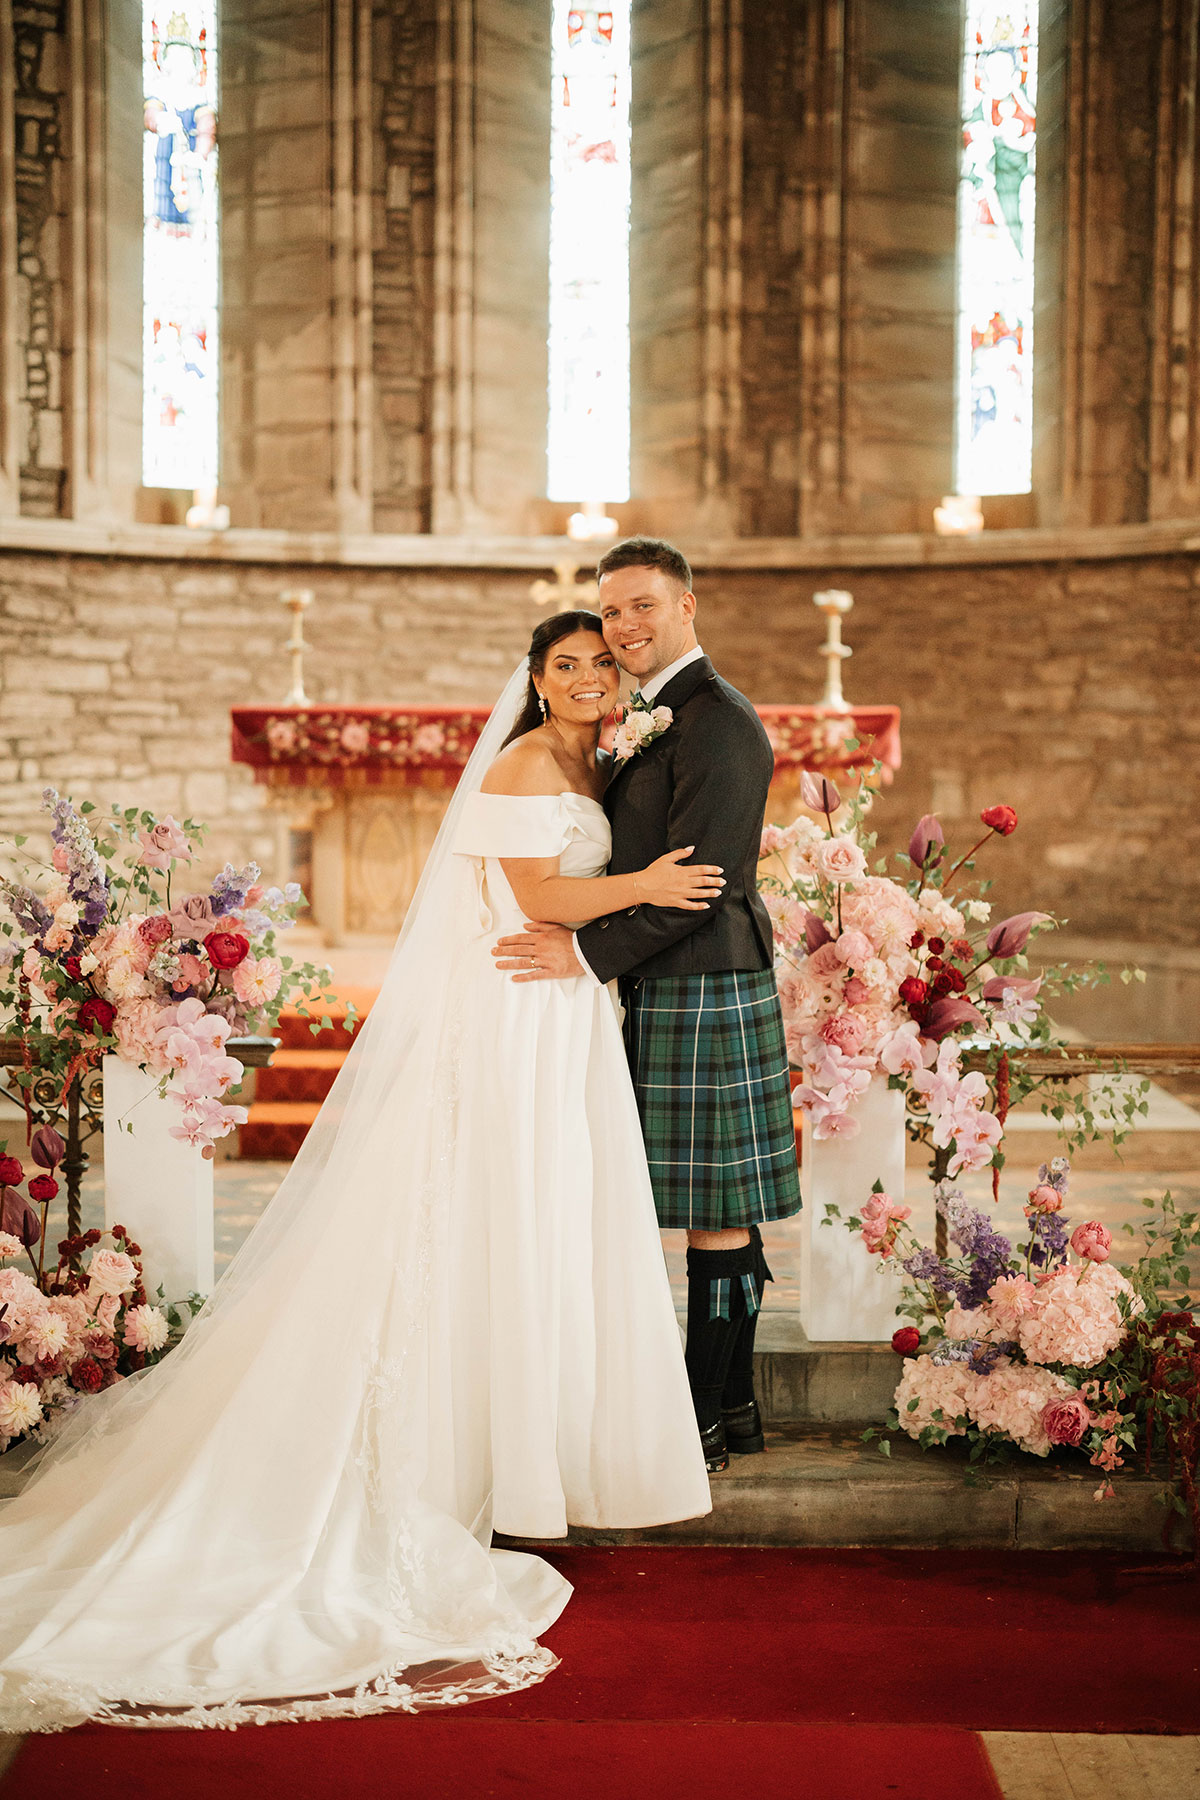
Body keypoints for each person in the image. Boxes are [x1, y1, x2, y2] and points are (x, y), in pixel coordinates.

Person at [0, 610, 712, 1733]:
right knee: (473, 1217)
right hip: (514, 1014)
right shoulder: (527, 757)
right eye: (562, 664)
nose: (583, 677)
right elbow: (535, 898)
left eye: (595, 663)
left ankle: (510, 1443)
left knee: (521, 1223)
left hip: (562, 1012)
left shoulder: (600, 753)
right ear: (532, 679)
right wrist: (648, 888)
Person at [494, 539, 803, 1472]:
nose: (625, 625)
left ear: (687, 607)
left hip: (704, 981)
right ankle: (734, 1407)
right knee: (717, 1206)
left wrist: (585, 953)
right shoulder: (651, 716)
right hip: (675, 981)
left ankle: (702, 1414)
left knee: (714, 1209)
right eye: (612, 610)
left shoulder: (716, 722)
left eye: (643, 607)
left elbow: (697, 887)